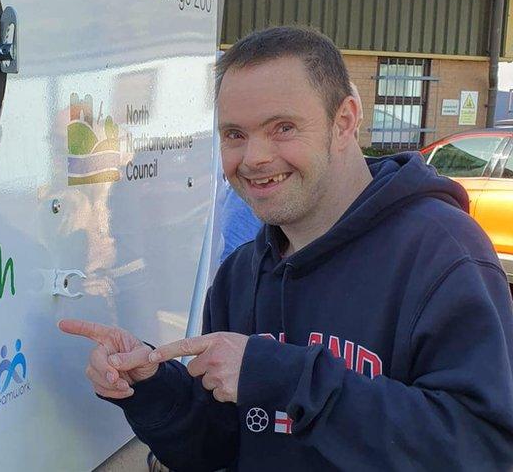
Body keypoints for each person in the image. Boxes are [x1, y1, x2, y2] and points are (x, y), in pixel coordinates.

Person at [59, 26, 513, 470]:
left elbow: (484, 446)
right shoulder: (239, 275)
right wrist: (153, 387)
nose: (254, 157)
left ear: (345, 121)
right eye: (234, 134)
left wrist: (285, 378)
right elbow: (218, 447)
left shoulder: (443, 254)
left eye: (283, 127)